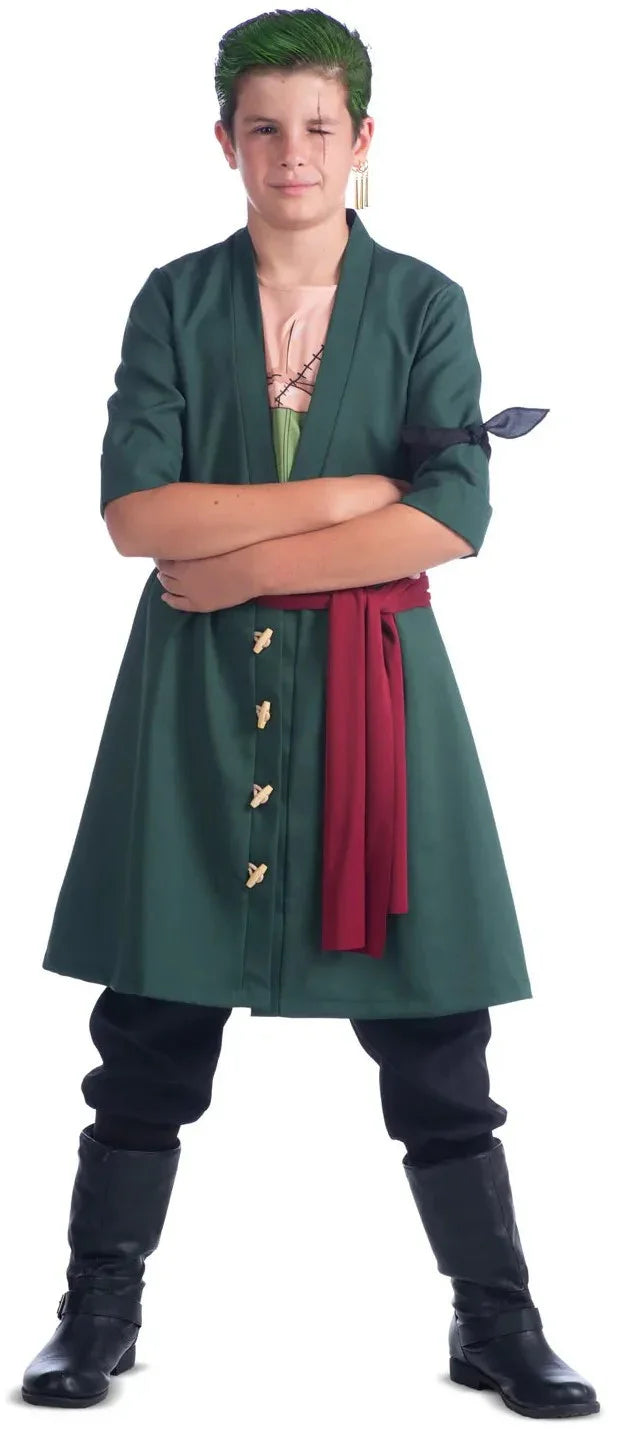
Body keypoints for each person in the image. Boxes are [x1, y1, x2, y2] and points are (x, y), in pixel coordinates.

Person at [21, 6, 599, 1419]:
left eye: (320, 127)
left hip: (377, 703)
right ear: (225, 142)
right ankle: (97, 1312)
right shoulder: (174, 300)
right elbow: (136, 517)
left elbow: (451, 522)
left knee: (438, 1034)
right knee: (148, 1027)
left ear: (363, 139)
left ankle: (496, 1320)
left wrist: (236, 568)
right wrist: (349, 496)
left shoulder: (425, 304)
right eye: (265, 127)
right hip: (193, 711)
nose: (294, 152)